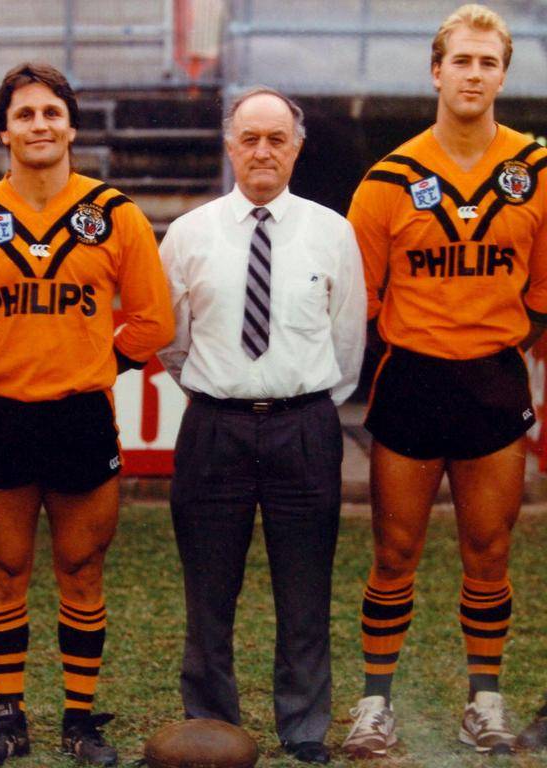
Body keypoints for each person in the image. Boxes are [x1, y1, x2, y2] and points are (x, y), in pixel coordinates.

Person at [0, 62, 174, 766]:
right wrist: (10, 356)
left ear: (72, 126)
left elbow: (153, 322)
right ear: (5, 129)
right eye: (25, 114)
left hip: (81, 415)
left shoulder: (114, 214)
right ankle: (8, 719)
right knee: (4, 572)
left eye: (50, 113)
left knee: (82, 570)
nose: (39, 125)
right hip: (1, 416)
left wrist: (90, 361)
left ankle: (80, 720)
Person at [341, 4, 547, 757]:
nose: (473, 74)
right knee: (394, 553)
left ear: (503, 74)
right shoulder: (388, 179)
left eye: (488, 63)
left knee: (489, 552)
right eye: (461, 60)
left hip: (493, 382)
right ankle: (374, 705)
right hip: (411, 383)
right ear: (436, 70)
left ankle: (484, 701)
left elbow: (543, 296)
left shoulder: (539, 172)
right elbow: (356, 301)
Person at [157, 87, 366, 765]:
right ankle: (212, 726)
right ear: (229, 145)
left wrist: (294, 399)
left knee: (305, 590)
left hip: (304, 426)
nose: (263, 151)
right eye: (249, 138)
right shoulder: (189, 233)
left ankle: (303, 729)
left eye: (277, 138)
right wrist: (225, 388)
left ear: (297, 148)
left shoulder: (332, 232)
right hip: (213, 428)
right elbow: (172, 341)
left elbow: (347, 343)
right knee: (209, 592)